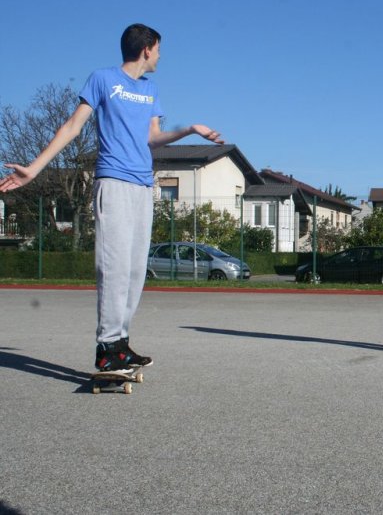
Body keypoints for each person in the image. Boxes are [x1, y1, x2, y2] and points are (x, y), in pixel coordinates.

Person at [0, 23, 223, 372]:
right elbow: (73, 126)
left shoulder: (151, 90)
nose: (161, 56)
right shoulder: (103, 79)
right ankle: (106, 348)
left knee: (135, 270)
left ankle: (120, 341)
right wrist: (35, 168)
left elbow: (154, 138)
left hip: (141, 185)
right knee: (114, 267)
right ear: (147, 48)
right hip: (113, 181)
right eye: (159, 49)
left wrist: (192, 129)